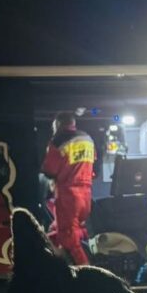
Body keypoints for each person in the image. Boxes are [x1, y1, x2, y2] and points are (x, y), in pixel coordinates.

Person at [40, 111, 95, 265]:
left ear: (58, 124)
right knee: (60, 232)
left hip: (68, 195)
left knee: (69, 239)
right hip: (86, 195)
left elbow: (49, 170)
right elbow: (93, 165)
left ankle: (87, 273)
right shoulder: (87, 139)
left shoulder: (58, 140)